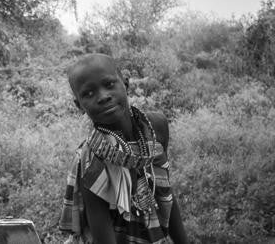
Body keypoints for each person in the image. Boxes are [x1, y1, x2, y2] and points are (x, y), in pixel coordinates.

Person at [58, 53, 189, 244]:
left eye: (109, 84)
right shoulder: (91, 159)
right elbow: (103, 235)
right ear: (79, 105)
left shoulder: (155, 128)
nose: (103, 97)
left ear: (125, 83)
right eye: (88, 93)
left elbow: (164, 189)